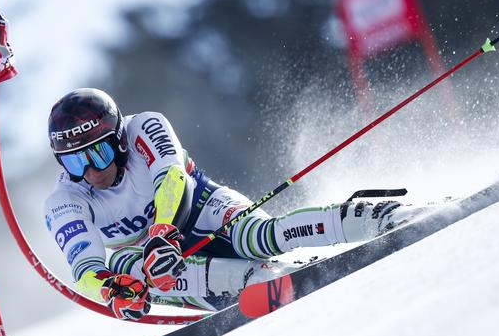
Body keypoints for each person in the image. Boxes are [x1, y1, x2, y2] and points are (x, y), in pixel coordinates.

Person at [44, 88, 419, 320]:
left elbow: (172, 179)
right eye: (75, 161)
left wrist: (163, 231)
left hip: (200, 206)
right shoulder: (64, 201)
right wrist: (112, 291)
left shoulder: (144, 126)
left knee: (259, 235)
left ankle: (381, 218)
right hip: (161, 256)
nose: (91, 170)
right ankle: (259, 281)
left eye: (99, 152)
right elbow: (85, 270)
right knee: (127, 266)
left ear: (119, 138)